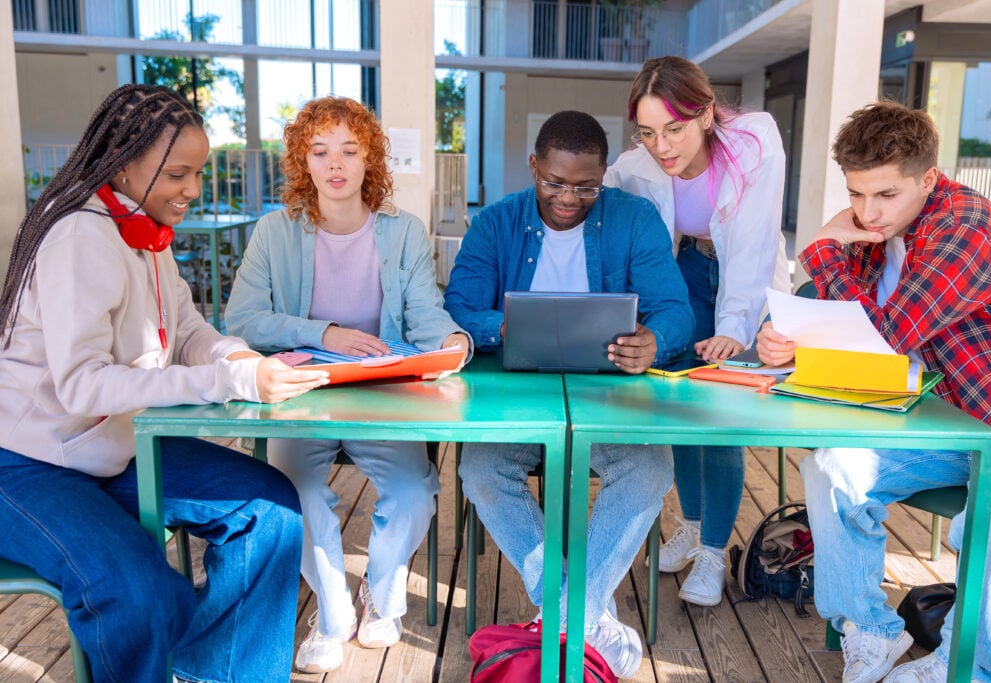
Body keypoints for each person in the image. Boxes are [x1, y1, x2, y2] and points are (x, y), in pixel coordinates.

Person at [0, 84, 326, 683]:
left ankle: (212, 673)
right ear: (123, 165)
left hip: (113, 450)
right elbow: (83, 387)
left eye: (199, 173)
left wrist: (245, 360)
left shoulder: (143, 229)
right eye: (178, 174)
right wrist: (226, 378)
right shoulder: (78, 234)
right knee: (138, 593)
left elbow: (190, 331)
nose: (194, 190)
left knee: (270, 510)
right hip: (26, 465)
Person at [756, 101, 991, 683]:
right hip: (941, 424)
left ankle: (974, 668)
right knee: (833, 468)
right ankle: (872, 631)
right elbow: (847, 324)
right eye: (855, 194)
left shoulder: (966, 228)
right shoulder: (881, 231)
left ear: (929, 178)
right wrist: (789, 340)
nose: (867, 211)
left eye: (886, 195)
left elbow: (884, 335)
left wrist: (824, 243)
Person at [225, 96, 471, 674]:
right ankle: (332, 615)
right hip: (301, 392)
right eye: (319, 151)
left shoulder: (404, 232)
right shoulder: (272, 232)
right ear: (302, 162)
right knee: (299, 494)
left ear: (370, 160)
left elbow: (425, 311)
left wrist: (453, 340)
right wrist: (324, 332)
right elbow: (242, 320)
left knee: (414, 491)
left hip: (380, 393)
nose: (335, 164)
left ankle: (381, 597)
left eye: (349, 150)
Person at [444, 110, 693, 679]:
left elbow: (674, 310)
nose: (569, 197)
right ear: (533, 165)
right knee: (481, 471)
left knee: (650, 470)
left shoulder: (635, 219)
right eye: (554, 182)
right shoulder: (497, 222)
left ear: (605, 174)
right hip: (515, 396)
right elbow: (458, 305)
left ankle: (561, 616)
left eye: (586, 186)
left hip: (609, 395)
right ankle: (583, 619)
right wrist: (501, 328)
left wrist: (655, 341)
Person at [604, 55, 790, 606]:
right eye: (648, 131)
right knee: (683, 403)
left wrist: (735, 328)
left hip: (742, 277)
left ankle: (712, 550)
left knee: (720, 413)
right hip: (685, 273)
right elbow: (613, 231)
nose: (662, 146)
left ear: (706, 114)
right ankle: (689, 524)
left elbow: (753, 246)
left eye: (675, 129)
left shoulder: (755, 144)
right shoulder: (633, 167)